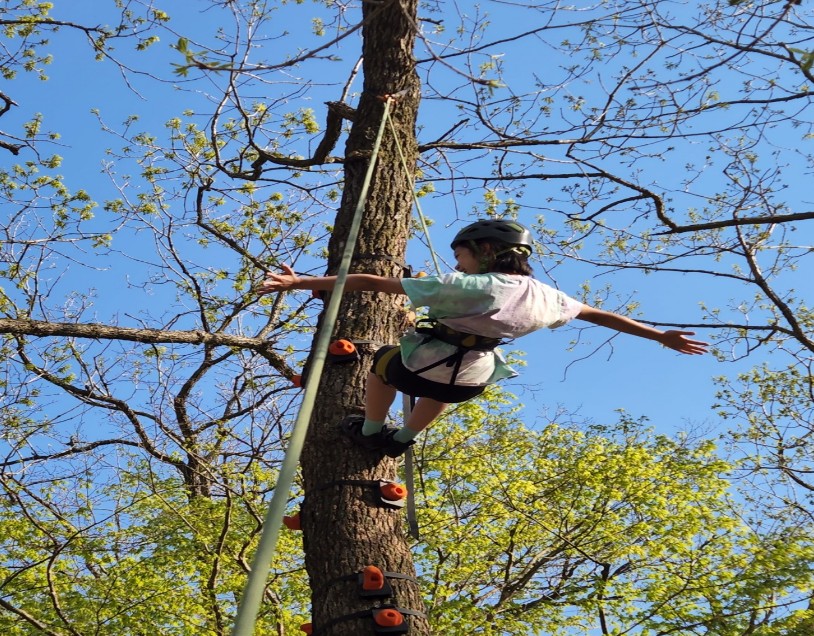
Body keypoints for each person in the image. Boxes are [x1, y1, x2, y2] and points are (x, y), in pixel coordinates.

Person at [257, 219, 709, 458]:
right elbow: (600, 315)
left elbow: (372, 282)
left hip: (419, 364)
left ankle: (370, 429)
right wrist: (659, 336)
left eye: (462, 255)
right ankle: (403, 439)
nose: (458, 263)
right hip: (473, 379)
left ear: (486, 251)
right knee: (441, 393)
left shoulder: (467, 285)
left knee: (381, 365)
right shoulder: (550, 296)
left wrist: (301, 282)